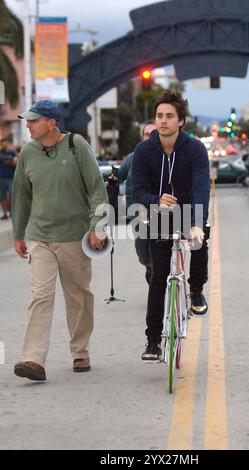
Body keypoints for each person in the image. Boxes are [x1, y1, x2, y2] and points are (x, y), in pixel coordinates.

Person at [12, 100, 108, 381]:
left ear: (51, 122)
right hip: (40, 238)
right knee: (40, 296)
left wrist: (97, 227)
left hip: (74, 238)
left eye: (33, 120)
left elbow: (97, 191)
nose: (28, 125)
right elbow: (21, 195)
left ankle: (80, 351)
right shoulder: (28, 152)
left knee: (78, 297)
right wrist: (19, 233)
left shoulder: (77, 147)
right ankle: (33, 359)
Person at [132, 90, 210, 362]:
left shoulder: (195, 149)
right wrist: (156, 201)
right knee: (158, 278)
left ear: (180, 121)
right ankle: (153, 341)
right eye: (159, 116)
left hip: (189, 211)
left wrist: (197, 224)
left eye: (169, 116)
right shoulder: (143, 151)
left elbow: (201, 188)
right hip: (160, 214)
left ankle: (197, 290)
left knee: (201, 240)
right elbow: (137, 190)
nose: (163, 121)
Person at [113, 122, 157, 283]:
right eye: (147, 134)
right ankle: (149, 267)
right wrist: (112, 179)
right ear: (142, 137)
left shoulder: (166, 156)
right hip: (138, 210)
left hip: (161, 209)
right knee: (143, 251)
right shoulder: (132, 158)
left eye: (154, 133)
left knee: (161, 246)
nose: (150, 137)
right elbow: (119, 176)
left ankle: (159, 276)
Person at [0, 137, 17, 220]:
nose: (4, 144)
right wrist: (9, 160)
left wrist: (10, 161)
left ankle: (11, 212)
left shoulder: (12, 153)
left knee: (11, 194)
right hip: (1, 178)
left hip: (11, 178)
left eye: (5, 142)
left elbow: (15, 163)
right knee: (2, 197)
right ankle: (5, 214)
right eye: (3, 143)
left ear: (8, 143)